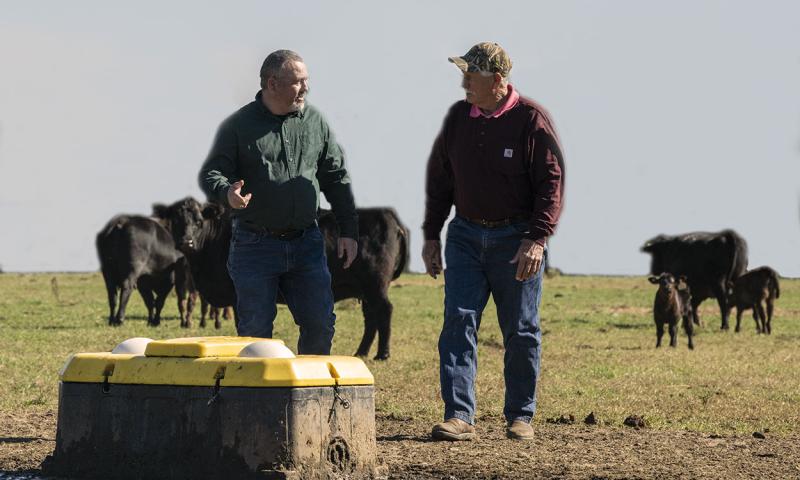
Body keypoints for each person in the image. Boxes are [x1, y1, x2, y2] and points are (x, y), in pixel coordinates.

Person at [422, 42, 565, 441]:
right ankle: (459, 416)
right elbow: (441, 179)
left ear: (498, 81)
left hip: (515, 239)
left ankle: (521, 416)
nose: (464, 81)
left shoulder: (531, 120)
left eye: (473, 74)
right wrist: (432, 234)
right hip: (465, 235)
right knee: (458, 322)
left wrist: (536, 239)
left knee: (520, 330)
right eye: (463, 73)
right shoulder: (457, 118)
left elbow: (550, 185)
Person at [199, 49, 358, 355]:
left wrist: (349, 230)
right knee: (255, 334)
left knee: (320, 324)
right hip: (254, 245)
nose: (306, 88)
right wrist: (227, 193)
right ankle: (257, 403)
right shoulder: (239, 126)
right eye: (298, 81)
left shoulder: (316, 122)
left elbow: (336, 178)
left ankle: (310, 397)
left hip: (307, 244)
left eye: (307, 80)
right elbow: (213, 173)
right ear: (272, 84)